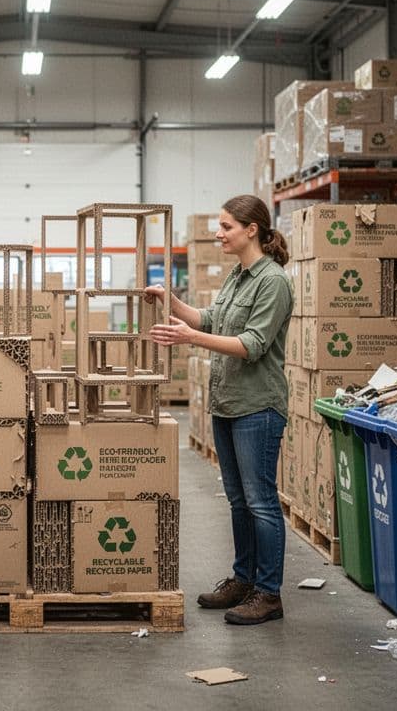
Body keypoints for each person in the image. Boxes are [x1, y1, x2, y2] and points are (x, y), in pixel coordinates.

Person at [145, 194, 294, 626]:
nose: (218, 233)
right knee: (238, 501)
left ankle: (269, 593)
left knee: (261, 502)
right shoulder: (239, 276)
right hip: (228, 404)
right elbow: (210, 319)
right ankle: (243, 579)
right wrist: (170, 301)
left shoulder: (273, 281)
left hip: (258, 406)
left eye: (226, 226)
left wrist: (188, 339)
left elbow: (252, 344)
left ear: (252, 230)